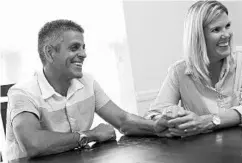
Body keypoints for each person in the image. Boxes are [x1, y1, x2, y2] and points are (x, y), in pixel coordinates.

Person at [5, 19, 170, 161]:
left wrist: (155, 126)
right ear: (49, 52)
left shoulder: (87, 82)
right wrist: (89, 135)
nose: (83, 54)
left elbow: (123, 120)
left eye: (83, 47)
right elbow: (33, 145)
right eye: (74, 47)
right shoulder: (22, 93)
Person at [145, 0, 242, 137]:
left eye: (227, 26)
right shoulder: (178, 71)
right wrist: (170, 117)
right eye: (216, 30)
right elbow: (153, 115)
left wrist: (209, 121)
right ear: (198, 36)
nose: (226, 35)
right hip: (204, 150)